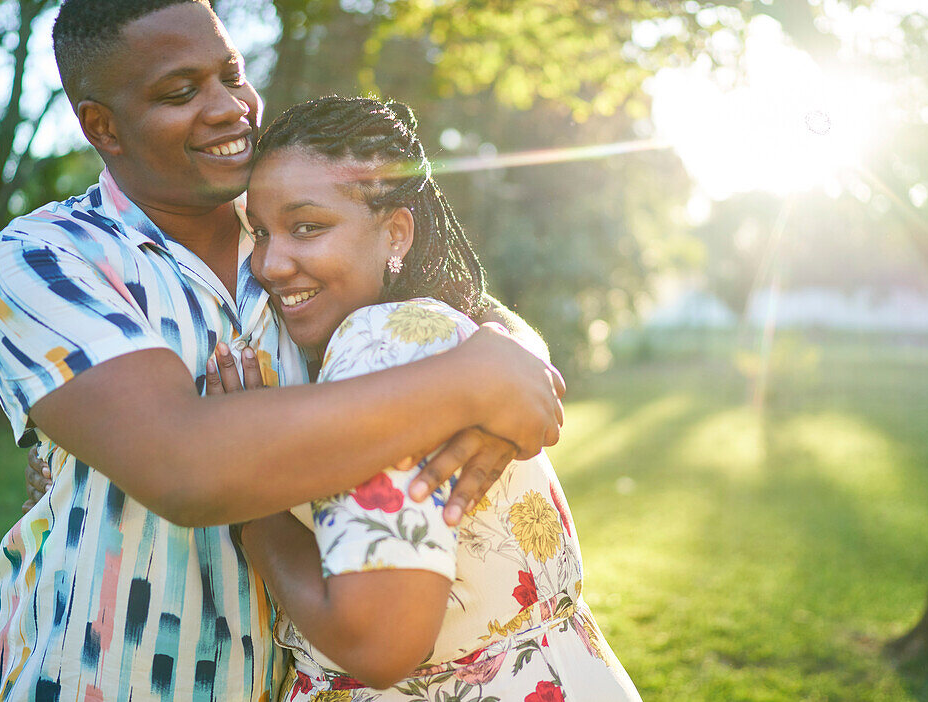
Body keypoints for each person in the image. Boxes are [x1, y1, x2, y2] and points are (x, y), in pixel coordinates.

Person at [0, 0, 564, 701]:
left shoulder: (291, 233)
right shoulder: (48, 256)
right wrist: (466, 387)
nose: (229, 108)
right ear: (103, 127)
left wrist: (515, 360)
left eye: (231, 75)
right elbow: (184, 468)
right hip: (97, 680)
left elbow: (450, 307)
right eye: (180, 92)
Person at [207, 96, 642, 701]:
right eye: (260, 231)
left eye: (307, 227)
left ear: (396, 232)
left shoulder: (379, 341)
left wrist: (249, 503)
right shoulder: (442, 330)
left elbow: (380, 644)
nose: (270, 264)